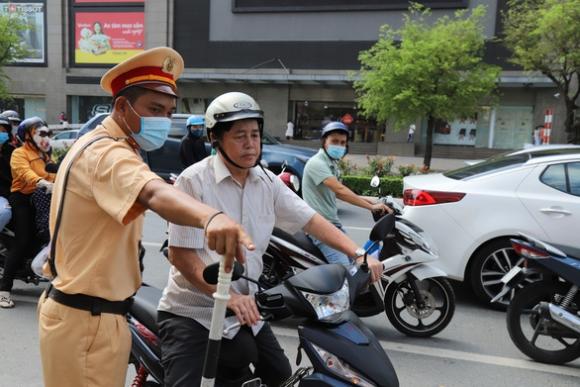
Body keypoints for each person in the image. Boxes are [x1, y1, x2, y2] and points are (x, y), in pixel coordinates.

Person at [37, 47, 254, 387]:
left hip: (90, 316)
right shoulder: (107, 152)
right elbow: (153, 192)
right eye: (154, 109)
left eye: (169, 111)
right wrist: (211, 218)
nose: (163, 120)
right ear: (123, 107)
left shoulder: (107, 144)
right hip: (87, 320)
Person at [157, 92, 383, 387]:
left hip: (245, 309)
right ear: (216, 138)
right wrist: (229, 297)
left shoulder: (266, 182)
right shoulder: (193, 182)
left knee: (280, 376)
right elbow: (182, 256)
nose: (250, 143)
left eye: (255, 134)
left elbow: (311, 220)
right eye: (239, 136)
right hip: (193, 312)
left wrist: (357, 252)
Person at [302, 121, 391, 265]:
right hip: (319, 227)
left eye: (342, 143)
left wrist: (374, 202)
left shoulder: (332, 165)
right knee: (345, 272)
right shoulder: (317, 163)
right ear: (324, 141)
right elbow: (341, 191)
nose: (339, 146)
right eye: (335, 141)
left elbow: (339, 192)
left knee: (356, 262)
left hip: (332, 224)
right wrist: (371, 208)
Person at [0, 117, 55, 308]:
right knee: (22, 241)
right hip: (22, 199)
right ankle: (4, 290)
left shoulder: (45, 155)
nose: (43, 137)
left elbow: (55, 172)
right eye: (38, 133)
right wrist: (40, 182)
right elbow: (23, 172)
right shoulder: (19, 153)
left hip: (43, 199)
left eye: (45, 132)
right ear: (28, 136)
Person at [0, 117, 15, 231]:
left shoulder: (12, 151)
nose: (1, 134)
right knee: (4, 212)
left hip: (11, 193)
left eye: (4, 131)